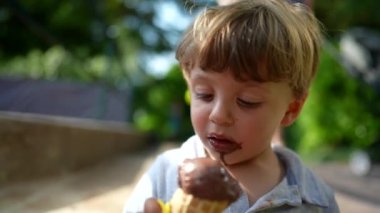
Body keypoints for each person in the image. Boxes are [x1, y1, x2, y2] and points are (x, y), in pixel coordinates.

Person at [124, 0, 339, 212]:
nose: (218, 116)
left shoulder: (315, 201)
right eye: (204, 95)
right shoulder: (165, 175)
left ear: (291, 109)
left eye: (247, 101)